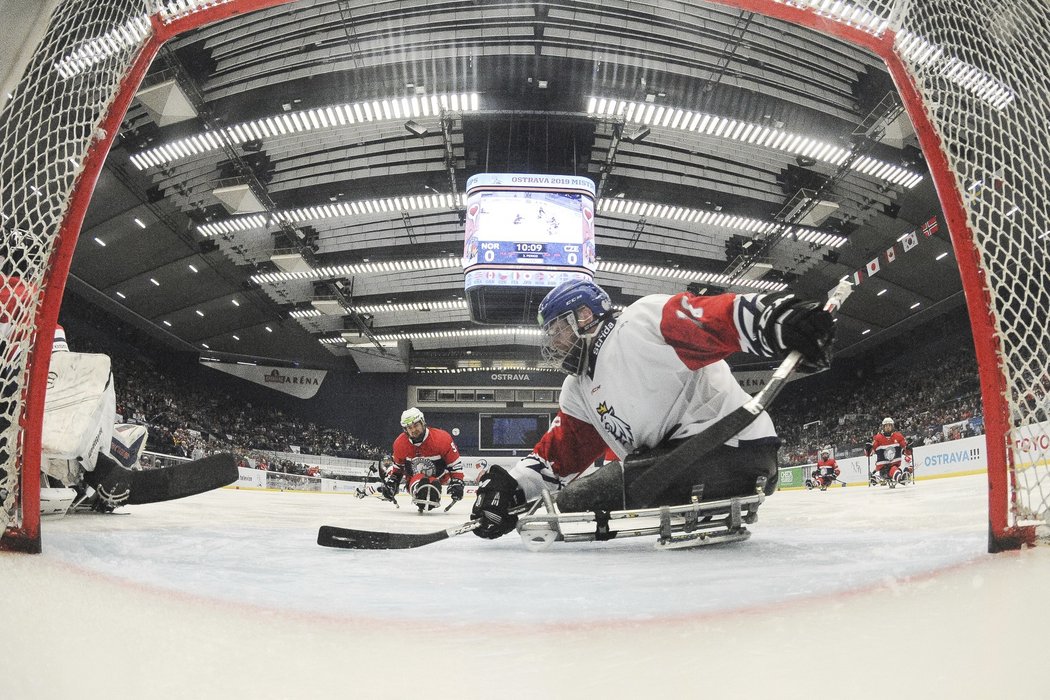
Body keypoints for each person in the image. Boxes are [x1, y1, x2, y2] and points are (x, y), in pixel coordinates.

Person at [470, 278, 836, 539]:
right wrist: (513, 488)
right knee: (574, 497)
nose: (554, 343)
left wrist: (780, 321)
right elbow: (560, 457)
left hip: (730, 449)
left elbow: (715, 317)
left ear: (583, 315)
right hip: (678, 468)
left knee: (582, 498)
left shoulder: (639, 322)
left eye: (557, 331)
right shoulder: (578, 388)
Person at [382, 408, 465, 511]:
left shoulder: (442, 438)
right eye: (409, 427)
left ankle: (431, 489)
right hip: (413, 479)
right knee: (421, 482)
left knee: (430, 483)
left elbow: (455, 465)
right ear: (405, 430)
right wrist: (392, 483)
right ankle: (423, 490)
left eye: (416, 425)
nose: (413, 430)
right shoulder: (400, 443)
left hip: (439, 477)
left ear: (423, 423)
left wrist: (457, 482)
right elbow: (398, 468)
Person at [865, 417, 910, 486]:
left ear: (892, 426)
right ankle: (900, 478)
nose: (888, 427)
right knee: (891, 471)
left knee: (894, 469)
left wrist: (909, 448)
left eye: (890, 425)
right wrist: (867, 449)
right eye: (886, 426)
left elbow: (907, 451)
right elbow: (869, 454)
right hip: (882, 468)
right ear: (883, 427)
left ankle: (899, 478)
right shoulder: (878, 438)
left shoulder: (899, 436)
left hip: (894, 465)